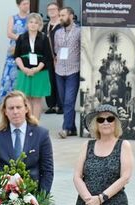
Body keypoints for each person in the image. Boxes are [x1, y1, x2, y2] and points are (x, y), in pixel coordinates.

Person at [13, 13, 52, 120]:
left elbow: (47, 56)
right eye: (31, 22)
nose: (33, 25)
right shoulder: (21, 38)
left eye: (36, 22)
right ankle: (28, 123)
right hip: (24, 72)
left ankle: (35, 124)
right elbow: (16, 56)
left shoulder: (44, 38)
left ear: (39, 24)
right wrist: (24, 69)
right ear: (27, 24)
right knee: (26, 98)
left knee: (37, 99)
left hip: (40, 72)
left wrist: (36, 69)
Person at [0, 0, 30, 110]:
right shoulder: (13, 18)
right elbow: (9, 33)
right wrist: (21, 39)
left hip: (27, 50)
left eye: (28, 3)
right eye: (24, 4)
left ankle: (21, 102)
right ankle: (1, 101)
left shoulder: (31, 18)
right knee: (8, 75)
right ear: (18, 5)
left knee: (22, 76)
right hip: (14, 49)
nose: (27, 6)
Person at [53, 5, 80, 138]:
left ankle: (65, 128)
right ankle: (72, 128)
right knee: (64, 102)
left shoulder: (79, 31)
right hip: (59, 71)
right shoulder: (57, 33)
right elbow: (56, 50)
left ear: (71, 16)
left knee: (69, 101)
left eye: (63, 15)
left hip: (73, 71)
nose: (61, 18)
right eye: (60, 16)